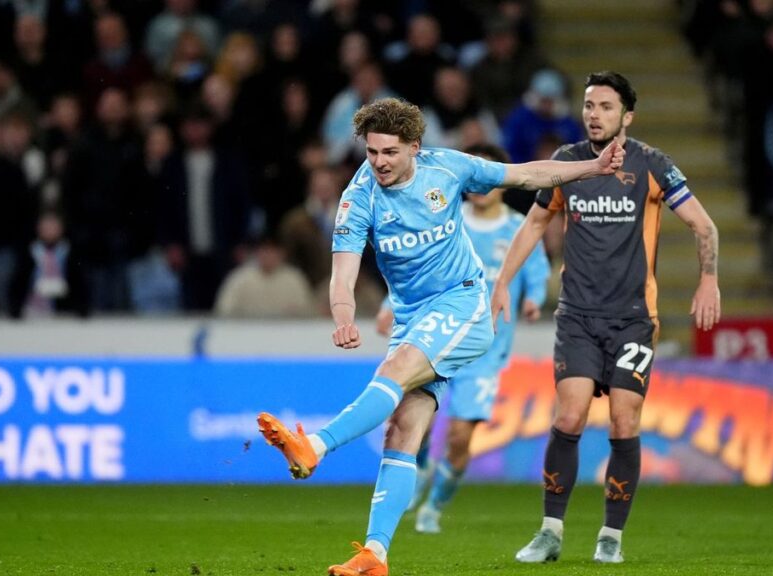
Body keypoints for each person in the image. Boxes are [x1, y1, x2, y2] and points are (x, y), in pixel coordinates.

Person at [256, 97, 624, 576]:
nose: (379, 163)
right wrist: (344, 316)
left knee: (394, 372)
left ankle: (317, 445)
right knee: (403, 429)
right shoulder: (357, 195)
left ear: (415, 147)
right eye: (371, 152)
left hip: (464, 304)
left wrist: (592, 167)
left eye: (389, 152)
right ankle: (375, 554)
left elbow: (524, 176)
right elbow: (342, 273)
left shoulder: (447, 168)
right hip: (412, 316)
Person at [490, 72, 721, 565]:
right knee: (569, 415)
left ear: (626, 116)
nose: (593, 114)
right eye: (589, 105)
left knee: (623, 422)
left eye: (605, 106)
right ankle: (550, 532)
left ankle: (610, 537)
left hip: (634, 319)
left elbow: (704, 224)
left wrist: (708, 280)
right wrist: (503, 281)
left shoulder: (653, 165)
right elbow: (535, 223)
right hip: (577, 315)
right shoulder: (567, 164)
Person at [401, 143, 550, 534]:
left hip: (485, 351)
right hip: (438, 340)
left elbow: (536, 271)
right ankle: (418, 469)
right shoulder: (448, 220)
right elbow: (417, 268)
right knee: (413, 421)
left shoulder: (518, 227)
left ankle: (435, 505)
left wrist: (533, 299)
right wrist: (389, 304)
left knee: (459, 437)